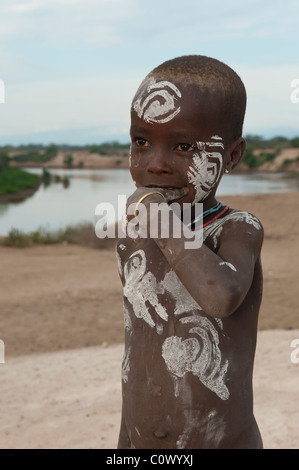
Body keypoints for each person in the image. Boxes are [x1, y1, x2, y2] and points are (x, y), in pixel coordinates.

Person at [116, 55, 264, 449]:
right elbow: (137, 355)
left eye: (183, 146)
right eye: (141, 142)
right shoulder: (134, 237)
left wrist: (158, 219)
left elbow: (221, 296)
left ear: (231, 156)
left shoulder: (235, 229)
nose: (156, 164)